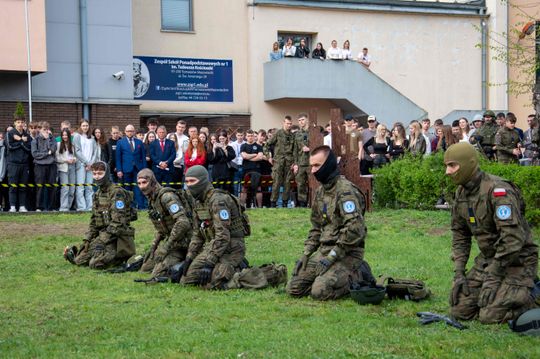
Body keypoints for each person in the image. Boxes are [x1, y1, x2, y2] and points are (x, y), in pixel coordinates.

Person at [444, 142, 538, 324]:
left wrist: (493, 276)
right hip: (489, 259)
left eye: (452, 165)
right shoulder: (461, 193)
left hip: (518, 260)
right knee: (459, 309)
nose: (448, 172)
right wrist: (459, 274)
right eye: (447, 166)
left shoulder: (499, 192)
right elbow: (460, 234)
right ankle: (506, 292)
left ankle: (533, 294)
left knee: (489, 316)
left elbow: (512, 239)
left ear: (468, 163)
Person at [287, 146, 367, 300]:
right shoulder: (321, 192)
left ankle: (358, 274)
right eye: (311, 166)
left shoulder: (345, 192)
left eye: (317, 165)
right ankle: (326, 278)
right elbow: (317, 228)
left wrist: (332, 256)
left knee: (319, 291)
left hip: (346, 254)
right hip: (324, 251)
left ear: (328, 165)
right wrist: (306, 253)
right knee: (293, 288)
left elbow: (355, 229)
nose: (313, 171)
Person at [180, 165, 247, 289]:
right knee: (187, 280)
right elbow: (197, 233)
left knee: (212, 284)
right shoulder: (198, 201)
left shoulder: (218, 200)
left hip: (231, 247)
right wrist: (189, 258)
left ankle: (240, 268)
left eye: (193, 181)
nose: (189, 185)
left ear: (203, 180)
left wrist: (209, 263)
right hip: (213, 246)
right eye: (187, 181)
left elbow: (223, 236)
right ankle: (226, 266)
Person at [137, 169, 195, 278]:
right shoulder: (152, 199)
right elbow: (162, 228)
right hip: (174, 243)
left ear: (152, 182)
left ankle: (183, 264)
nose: (142, 187)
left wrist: (165, 247)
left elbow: (183, 223)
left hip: (186, 242)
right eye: (139, 183)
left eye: (144, 183)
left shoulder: (166, 197)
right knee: (145, 268)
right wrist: (153, 247)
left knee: (158, 274)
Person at [116, 124, 147, 209]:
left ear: (134, 132)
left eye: (132, 131)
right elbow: (118, 158)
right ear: (125, 132)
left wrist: (144, 170)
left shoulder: (139, 142)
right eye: (128, 131)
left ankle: (141, 207)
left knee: (139, 188)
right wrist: (119, 170)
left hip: (138, 169)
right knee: (127, 189)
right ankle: (129, 207)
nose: (130, 132)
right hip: (126, 169)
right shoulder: (120, 142)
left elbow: (143, 157)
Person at [267, 116, 295, 207]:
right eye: (287, 123)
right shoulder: (278, 133)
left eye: (290, 124)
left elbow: (294, 150)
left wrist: (294, 162)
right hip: (278, 162)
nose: (289, 125)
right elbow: (267, 145)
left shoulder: (292, 136)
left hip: (289, 162)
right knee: (276, 183)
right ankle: (273, 203)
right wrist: (269, 156)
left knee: (287, 183)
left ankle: (285, 203)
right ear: (283, 123)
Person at [6, 116, 31, 212]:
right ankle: (12, 206)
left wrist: (19, 140)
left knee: (23, 187)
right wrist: (21, 141)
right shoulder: (10, 133)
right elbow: (10, 147)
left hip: (24, 165)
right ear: (15, 123)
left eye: (22, 122)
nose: (20, 124)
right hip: (13, 164)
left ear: (24, 123)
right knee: (13, 186)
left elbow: (28, 149)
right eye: (18, 122)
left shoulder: (27, 135)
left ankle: (22, 206)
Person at [31, 121, 57, 212]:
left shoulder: (52, 139)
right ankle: (39, 207)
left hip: (51, 165)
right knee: (40, 186)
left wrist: (48, 140)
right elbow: (35, 154)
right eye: (44, 129)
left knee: (52, 186)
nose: (46, 131)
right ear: (39, 130)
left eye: (47, 129)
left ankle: (51, 207)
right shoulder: (35, 140)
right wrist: (47, 153)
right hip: (39, 166)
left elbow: (53, 150)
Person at [73, 119, 98, 211]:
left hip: (90, 166)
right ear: (80, 126)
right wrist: (86, 162)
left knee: (89, 187)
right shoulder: (77, 136)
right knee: (80, 187)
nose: (85, 127)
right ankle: (81, 207)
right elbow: (77, 151)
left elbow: (95, 152)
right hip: (81, 164)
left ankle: (89, 206)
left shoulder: (91, 137)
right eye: (83, 125)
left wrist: (91, 163)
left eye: (86, 125)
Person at [240, 129, 264, 208]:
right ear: (246, 137)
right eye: (248, 136)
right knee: (244, 189)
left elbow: (260, 157)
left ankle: (260, 207)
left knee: (258, 188)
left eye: (252, 136)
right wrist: (254, 154)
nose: (250, 137)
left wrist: (249, 157)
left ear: (254, 137)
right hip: (246, 170)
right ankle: (242, 207)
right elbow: (244, 156)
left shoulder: (259, 146)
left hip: (256, 170)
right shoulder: (243, 146)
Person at [56, 129, 77, 211]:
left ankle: (68, 206)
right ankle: (63, 207)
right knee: (65, 189)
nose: (65, 136)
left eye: (66, 135)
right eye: (63, 135)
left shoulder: (72, 145)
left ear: (69, 136)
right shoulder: (58, 145)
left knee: (72, 189)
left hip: (72, 168)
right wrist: (65, 160)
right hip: (63, 169)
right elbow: (57, 158)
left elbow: (75, 156)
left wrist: (74, 159)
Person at [293, 113, 311, 207]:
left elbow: (318, 145)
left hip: (311, 163)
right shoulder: (297, 134)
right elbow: (295, 150)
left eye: (303, 119)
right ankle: (302, 204)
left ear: (307, 120)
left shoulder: (313, 132)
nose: (301, 122)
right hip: (301, 163)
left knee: (313, 184)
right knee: (301, 184)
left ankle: (312, 202)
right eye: (299, 120)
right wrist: (295, 164)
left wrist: (310, 148)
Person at [168, 120, 189, 188]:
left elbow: (186, 153)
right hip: (169, 164)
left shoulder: (186, 139)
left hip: (179, 165)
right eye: (179, 127)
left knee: (178, 185)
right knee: (169, 185)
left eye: (182, 127)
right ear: (176, 126)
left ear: (185, 128)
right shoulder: (170, 136)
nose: (180, 129)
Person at [229, 129, 246, 196]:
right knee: (235, 186)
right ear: (236, 135)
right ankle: (236, 201)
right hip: (235, 166)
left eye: (241, 135)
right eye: (238, 135)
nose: (240, 137)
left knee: (243, 187)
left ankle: (242, 203)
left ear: (244, 135)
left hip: (243, 165)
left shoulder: (246, 144)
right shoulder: (232, 144)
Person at [0, 130, 8, 211]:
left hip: (4, 172)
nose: (1, 139)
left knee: (5, 190)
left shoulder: (4, 147)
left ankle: (6, 207)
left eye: (2, 138)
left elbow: (3, 161)